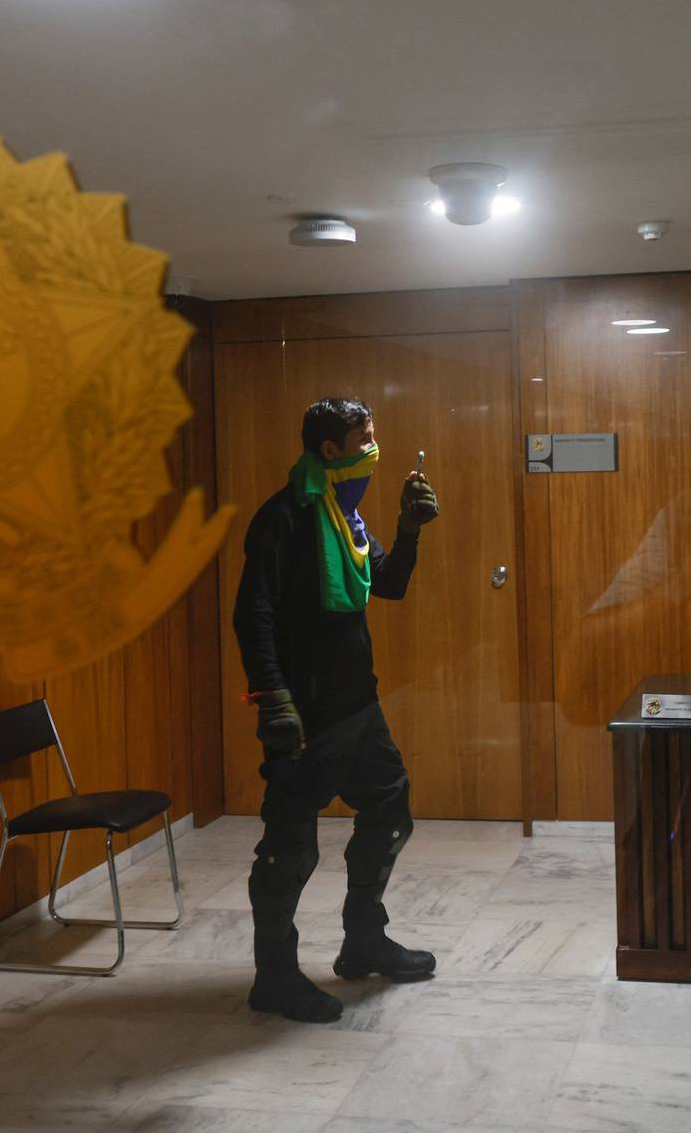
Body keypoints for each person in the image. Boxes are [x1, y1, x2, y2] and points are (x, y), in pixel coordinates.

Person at [231, 397, 442, 1023]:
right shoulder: (286, 516)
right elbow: (253, 615)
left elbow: (391, 583)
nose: (374, 445)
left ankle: (363, 940)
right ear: (330, 448)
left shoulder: (344, 515)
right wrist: (273, 700)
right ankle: (273, 976)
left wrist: (407, 530)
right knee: (290, 846)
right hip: (304, 713)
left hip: (358, 704)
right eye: (364, 437)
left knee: (391, 812)